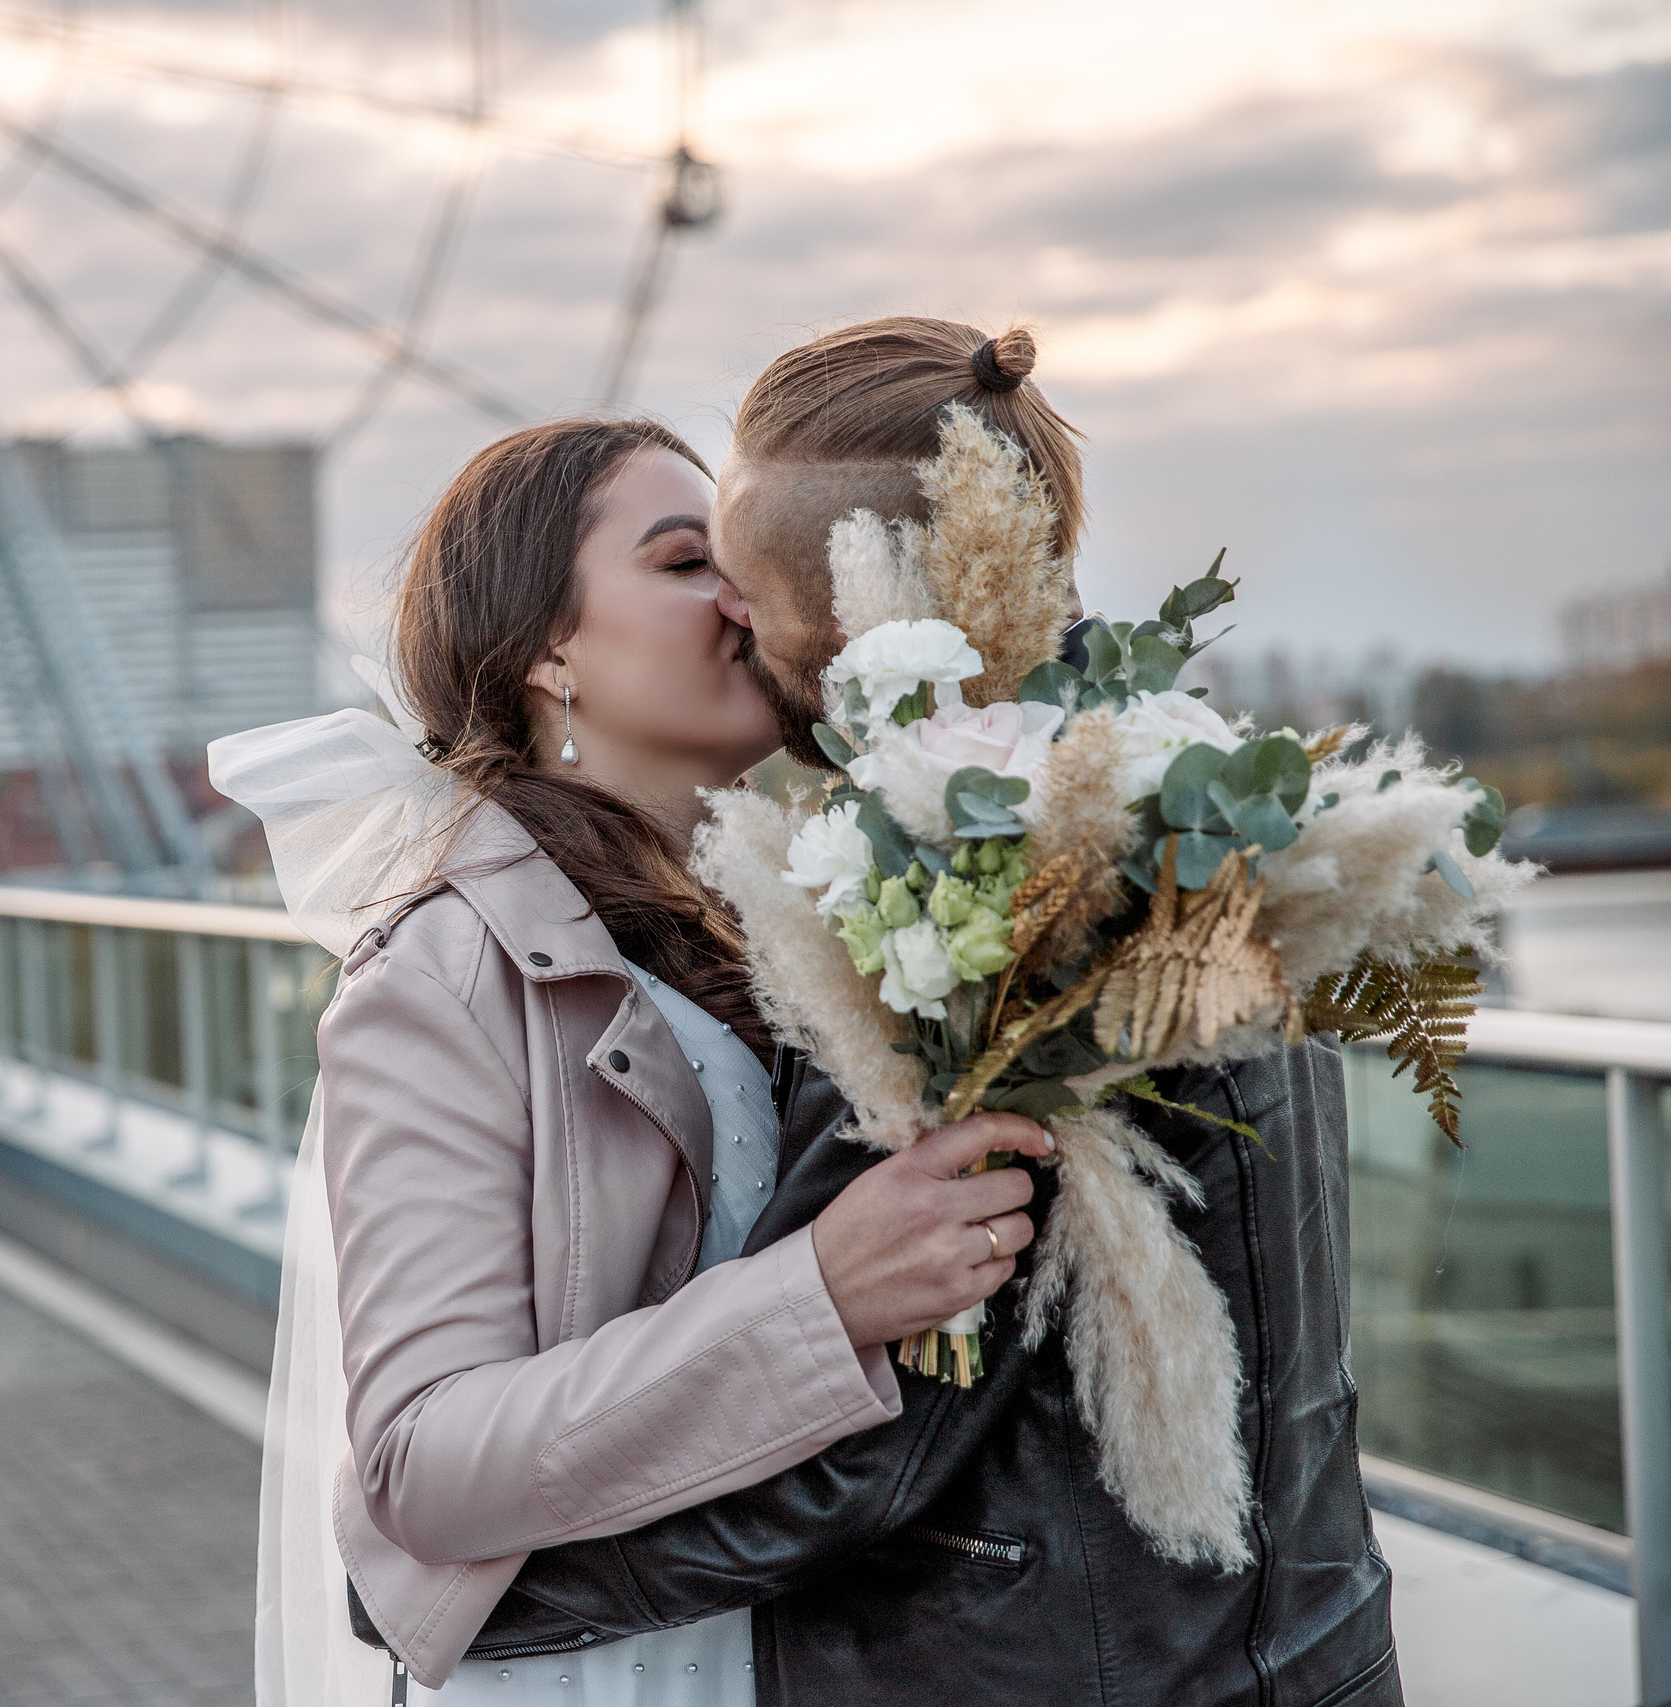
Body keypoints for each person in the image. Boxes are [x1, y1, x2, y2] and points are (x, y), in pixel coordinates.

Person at [463, 318, 1403, 1707]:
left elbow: (856, 1453)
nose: (731, 616)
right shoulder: (1182, 798)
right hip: (1290, 1653)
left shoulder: (966, 890)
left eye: (742, 585)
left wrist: (483, 1601)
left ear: (853, 598)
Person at [212, 416, 1057, 1704]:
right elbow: (418, 1461)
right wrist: (821, 1299)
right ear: (550, 647)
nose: (747, 597)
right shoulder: (443, 972)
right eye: (685, 562)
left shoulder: (771, 932)